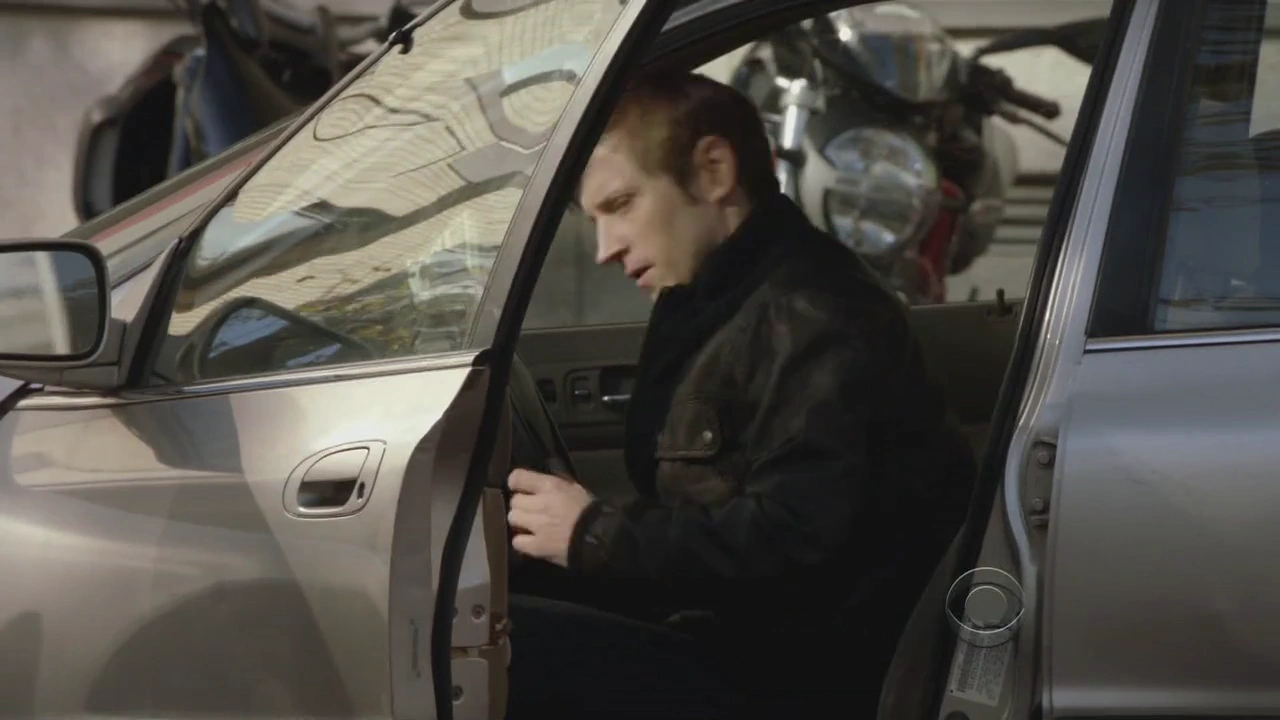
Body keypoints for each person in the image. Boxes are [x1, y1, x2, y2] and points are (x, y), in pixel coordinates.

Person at [504, 69, 976, 719]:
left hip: (800, 672)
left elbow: (793, 537)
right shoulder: (710, 299)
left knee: (495, 649)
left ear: (714, 171)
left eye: (621, 205)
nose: (605, 250)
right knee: (500, 617)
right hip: (743, 632)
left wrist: (594, 534)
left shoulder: (814, 312)